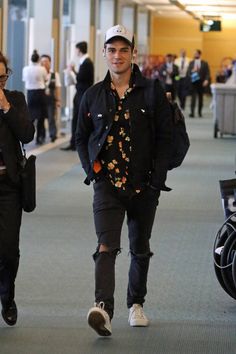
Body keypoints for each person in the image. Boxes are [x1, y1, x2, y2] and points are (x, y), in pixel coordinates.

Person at [76, 24, 173, 336]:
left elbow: (165, 138)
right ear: (104, 53)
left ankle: (136, 304)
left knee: (140, 247)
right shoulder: (92, 96)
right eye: (112, 50)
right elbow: (81, 139)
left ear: (133, 54)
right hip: (107, 185)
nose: (117, 55)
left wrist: (157, 179)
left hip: (144, 185)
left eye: (124, 50)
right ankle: (103, 308)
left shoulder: (153, 92)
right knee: (106, 245)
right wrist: (94, 172)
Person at [0, 52, 35, 326]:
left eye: (2, 78)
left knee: (9, 249)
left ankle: (7, 297)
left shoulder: (16, 100)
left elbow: (27, 134)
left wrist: (6, 107)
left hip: (8, 185)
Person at [61, 41, 94, 151]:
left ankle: (76, 143)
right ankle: (74, 143)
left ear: (79, 50)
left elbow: (81, 78)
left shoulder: (87, 62)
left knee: (78, 119)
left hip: (82, 94)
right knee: (76, 119)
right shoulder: (84, 62)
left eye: (76, 49)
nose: (75, 51)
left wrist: (73, 71)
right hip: (80, 94)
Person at [22, 49, 47, 144]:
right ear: (38, 59)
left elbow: (24, 80)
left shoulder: (26, 69)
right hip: (40, 92)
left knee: (31, 116)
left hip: (30, 93)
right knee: (41, 116)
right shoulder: (42, 69)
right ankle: (39, 137)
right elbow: (45, 78)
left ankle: (26, 135)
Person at [41, 54, 62, 142]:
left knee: (51, 117)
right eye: (42, 62)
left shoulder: (55, 74)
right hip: (41, 99)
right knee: (41, 118)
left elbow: (58, 87)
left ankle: (53, 134)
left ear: (50, 62)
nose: (44, 63)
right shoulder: (39, 73)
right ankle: (41, 136)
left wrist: (58, 100)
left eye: (46, 61)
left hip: (51, 99)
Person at [187, 49, 210, 117]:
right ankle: (192, 112)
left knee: (200, 98)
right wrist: (192, 71)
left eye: (196, 53)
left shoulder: (204, 63)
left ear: (199, 54)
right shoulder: (191, 63)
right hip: (193, 82)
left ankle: (200, 112)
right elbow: (188, 73)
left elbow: (207, 73)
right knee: (193, 98)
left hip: (201, 82)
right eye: (194, 54)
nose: (195, 55)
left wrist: (206, 80)